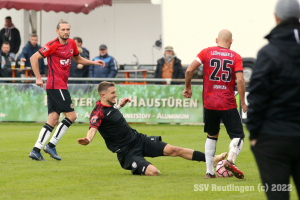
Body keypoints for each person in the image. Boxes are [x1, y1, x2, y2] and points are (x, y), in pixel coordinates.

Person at [77, 81, 227, 176]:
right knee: (154, 172)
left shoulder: (109, 106)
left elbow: (111, 112)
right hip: (126, 153)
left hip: (138, 139)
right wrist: (88, 139)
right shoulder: (97, 112)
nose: (116, 94)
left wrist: (120, 105)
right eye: (113, 93)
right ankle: (140, 164)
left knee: (175, 150)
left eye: (115, 92)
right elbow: (93, 128)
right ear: (103, 95)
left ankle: (211, 160)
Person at [28, 20, 105, 161]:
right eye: (63, 29)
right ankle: (51, 145)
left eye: (68, 29)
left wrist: (94, 62)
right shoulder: (52, 45)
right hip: (56, 85)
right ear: (57, 31)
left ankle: (36, 150)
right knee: (72, 116)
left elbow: (78, 59)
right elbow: (34, 58)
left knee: (53, 119)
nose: (66, 32)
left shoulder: (71, 44)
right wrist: (38, 77)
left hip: (58, 85)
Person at [247, 0, 300, 199]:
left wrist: (253, 132)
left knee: (278, 195)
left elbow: (258, 95)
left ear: (276, 17)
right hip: (279, 133)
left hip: (274, 137)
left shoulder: (268, 52)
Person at [183, 29, 247, 179]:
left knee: (212, 135)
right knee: (238, 135)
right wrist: (243, 102)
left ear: (216, 40)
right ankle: (230, 160)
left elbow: (189, 70)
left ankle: (209, 172)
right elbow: (240, 80)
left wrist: (188, 87)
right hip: (227, 102)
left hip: (209, 102)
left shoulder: (206, 52)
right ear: (231, 41)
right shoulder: (236, 57)